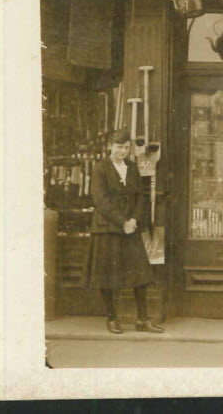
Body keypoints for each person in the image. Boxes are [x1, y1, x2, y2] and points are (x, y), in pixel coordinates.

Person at [86, 128, 163, 334]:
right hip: (107, 228)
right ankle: (112, 318)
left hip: (131, 228)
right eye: (119, 147)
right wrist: (123, 221)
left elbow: (140, 196)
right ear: (110, 146)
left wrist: (135, 220)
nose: (123, 151)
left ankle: (142, 319)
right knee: (107, 275)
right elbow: (101, 200)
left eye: (127, 148)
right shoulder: (100, 168)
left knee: (141, 274)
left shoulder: (132, 167)